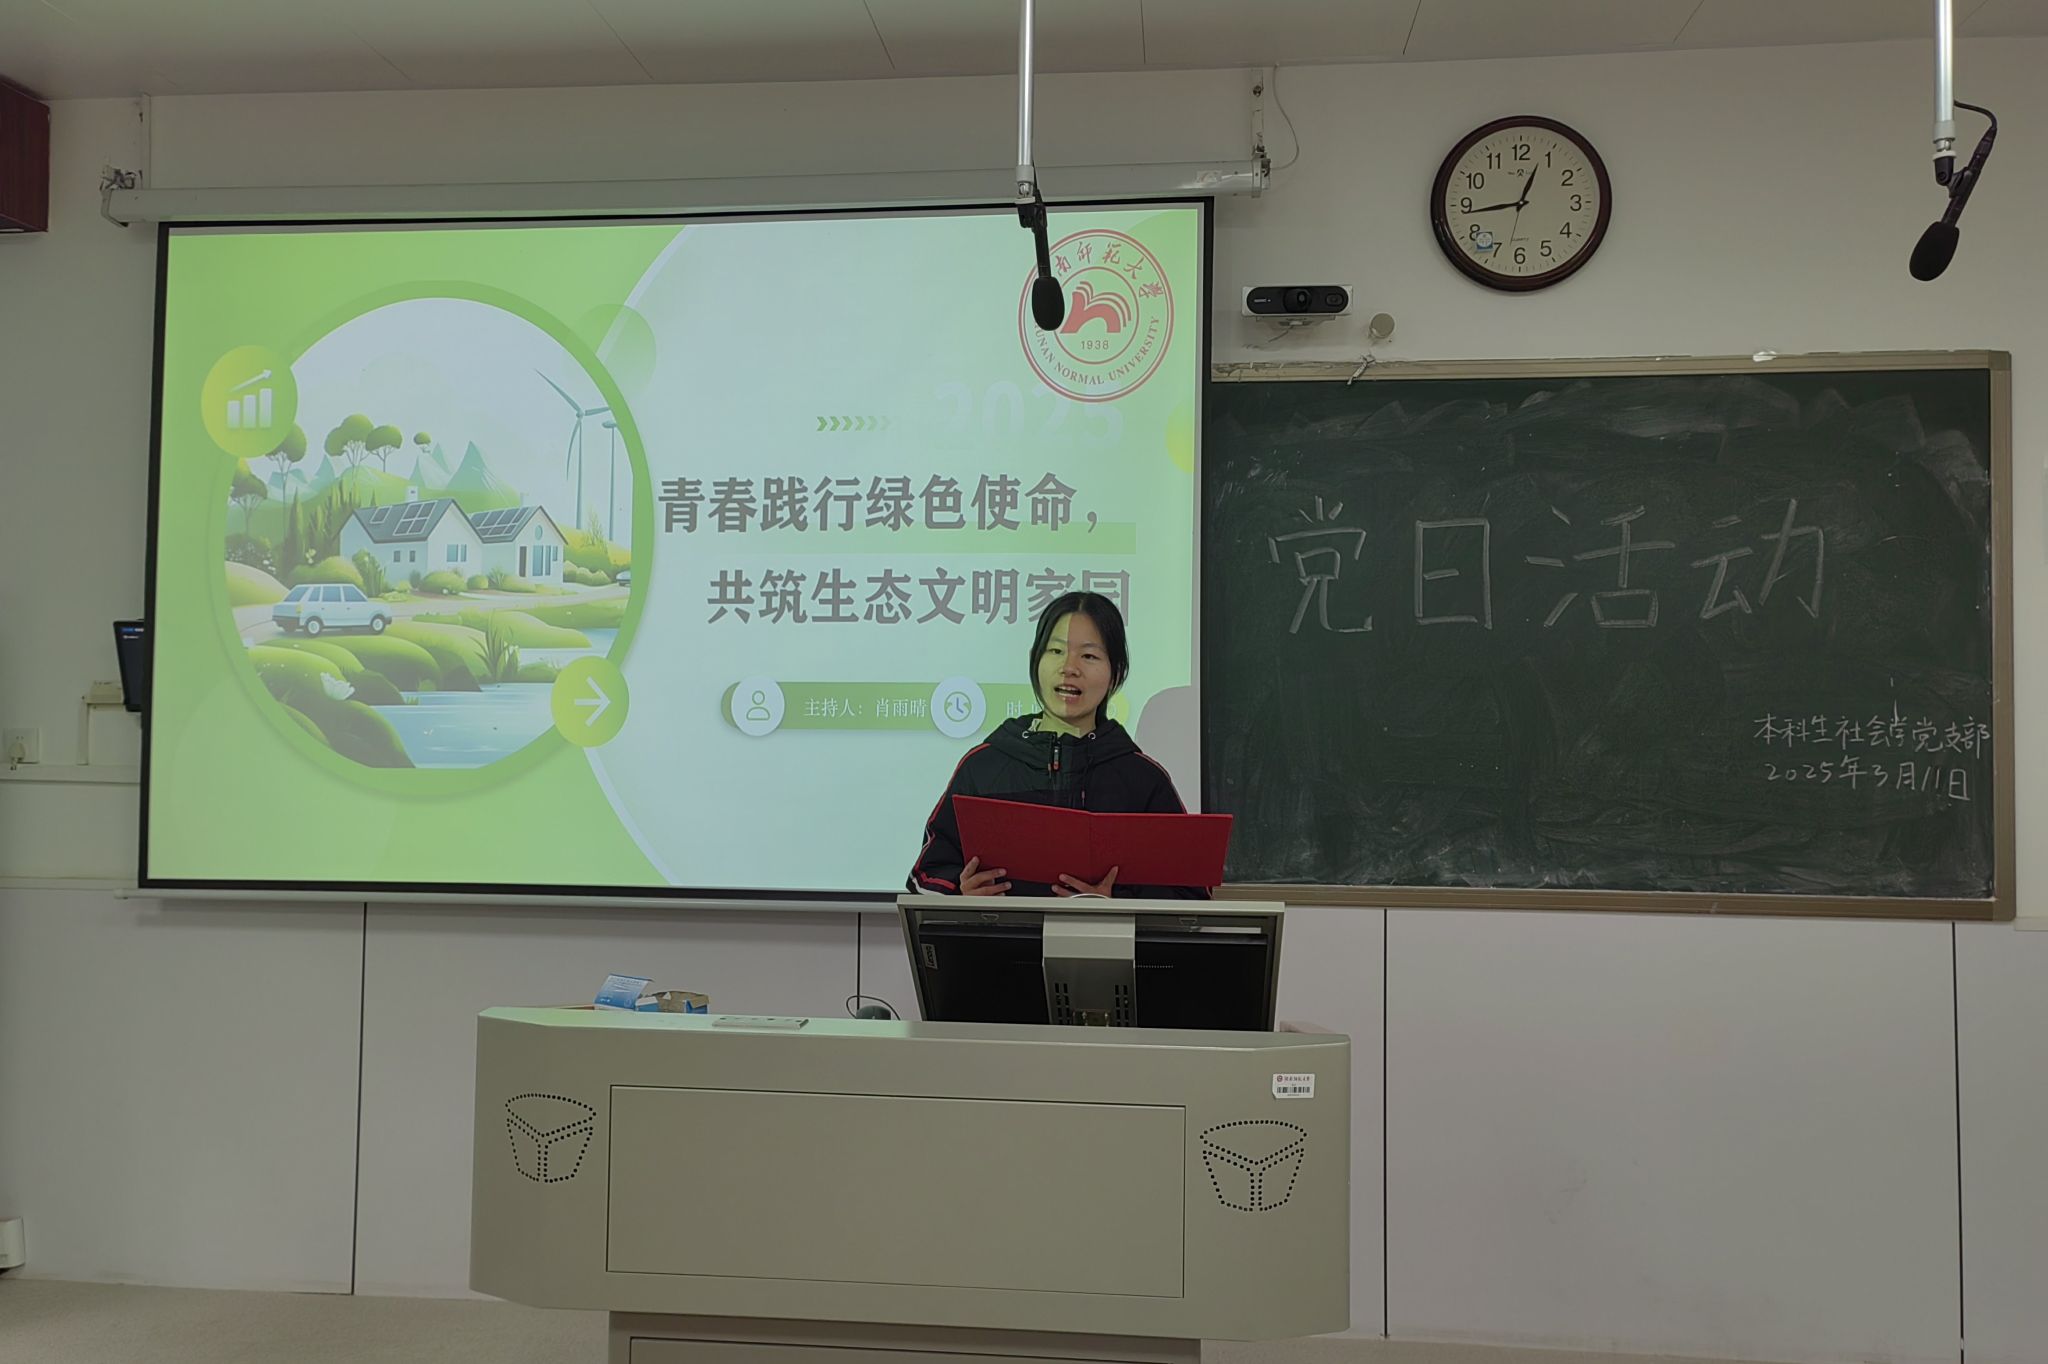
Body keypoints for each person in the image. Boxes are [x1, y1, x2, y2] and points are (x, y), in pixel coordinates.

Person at [907, 591, 1207, 900]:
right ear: (1035, 660)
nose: (1069, 667)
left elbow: (1191, 890)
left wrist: (1117, 903)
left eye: (1089, 656)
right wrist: (962, 893)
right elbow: (925, 877)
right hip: (1001, 933)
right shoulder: (984, 766)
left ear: (1116, 673)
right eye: (1055, 651)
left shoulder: (1143, 780)